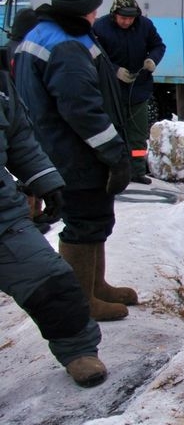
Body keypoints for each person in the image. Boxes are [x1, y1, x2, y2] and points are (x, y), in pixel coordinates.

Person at [13, 0, 136, 323]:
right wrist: (114, 153)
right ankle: (83, 299)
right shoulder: (66, 44)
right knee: (83, 222)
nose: (97, 16)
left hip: (60, 148)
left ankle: (95, 286)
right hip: (75, 153)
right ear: (83, 11)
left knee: (94, 219)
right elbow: (81, 109)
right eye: (94, 10)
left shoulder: (46, 34)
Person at [0, 68, 108, 386]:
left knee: (54, 282)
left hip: (4, 220)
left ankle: (79, 352)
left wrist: (45, 181)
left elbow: (18, 137)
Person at [92, 0, 166, 184]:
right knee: (112, 132)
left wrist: (152, 60)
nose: (127, 22)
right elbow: (95, 56)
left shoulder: (145, 25)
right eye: (123, 18)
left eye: (130, 18)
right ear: (114, 14)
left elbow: (159, 46)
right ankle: (113, 172)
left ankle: (137, 171)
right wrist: (114, 70)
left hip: (139, 88)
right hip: (111, 90)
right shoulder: (100, 27)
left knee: (138, 134)